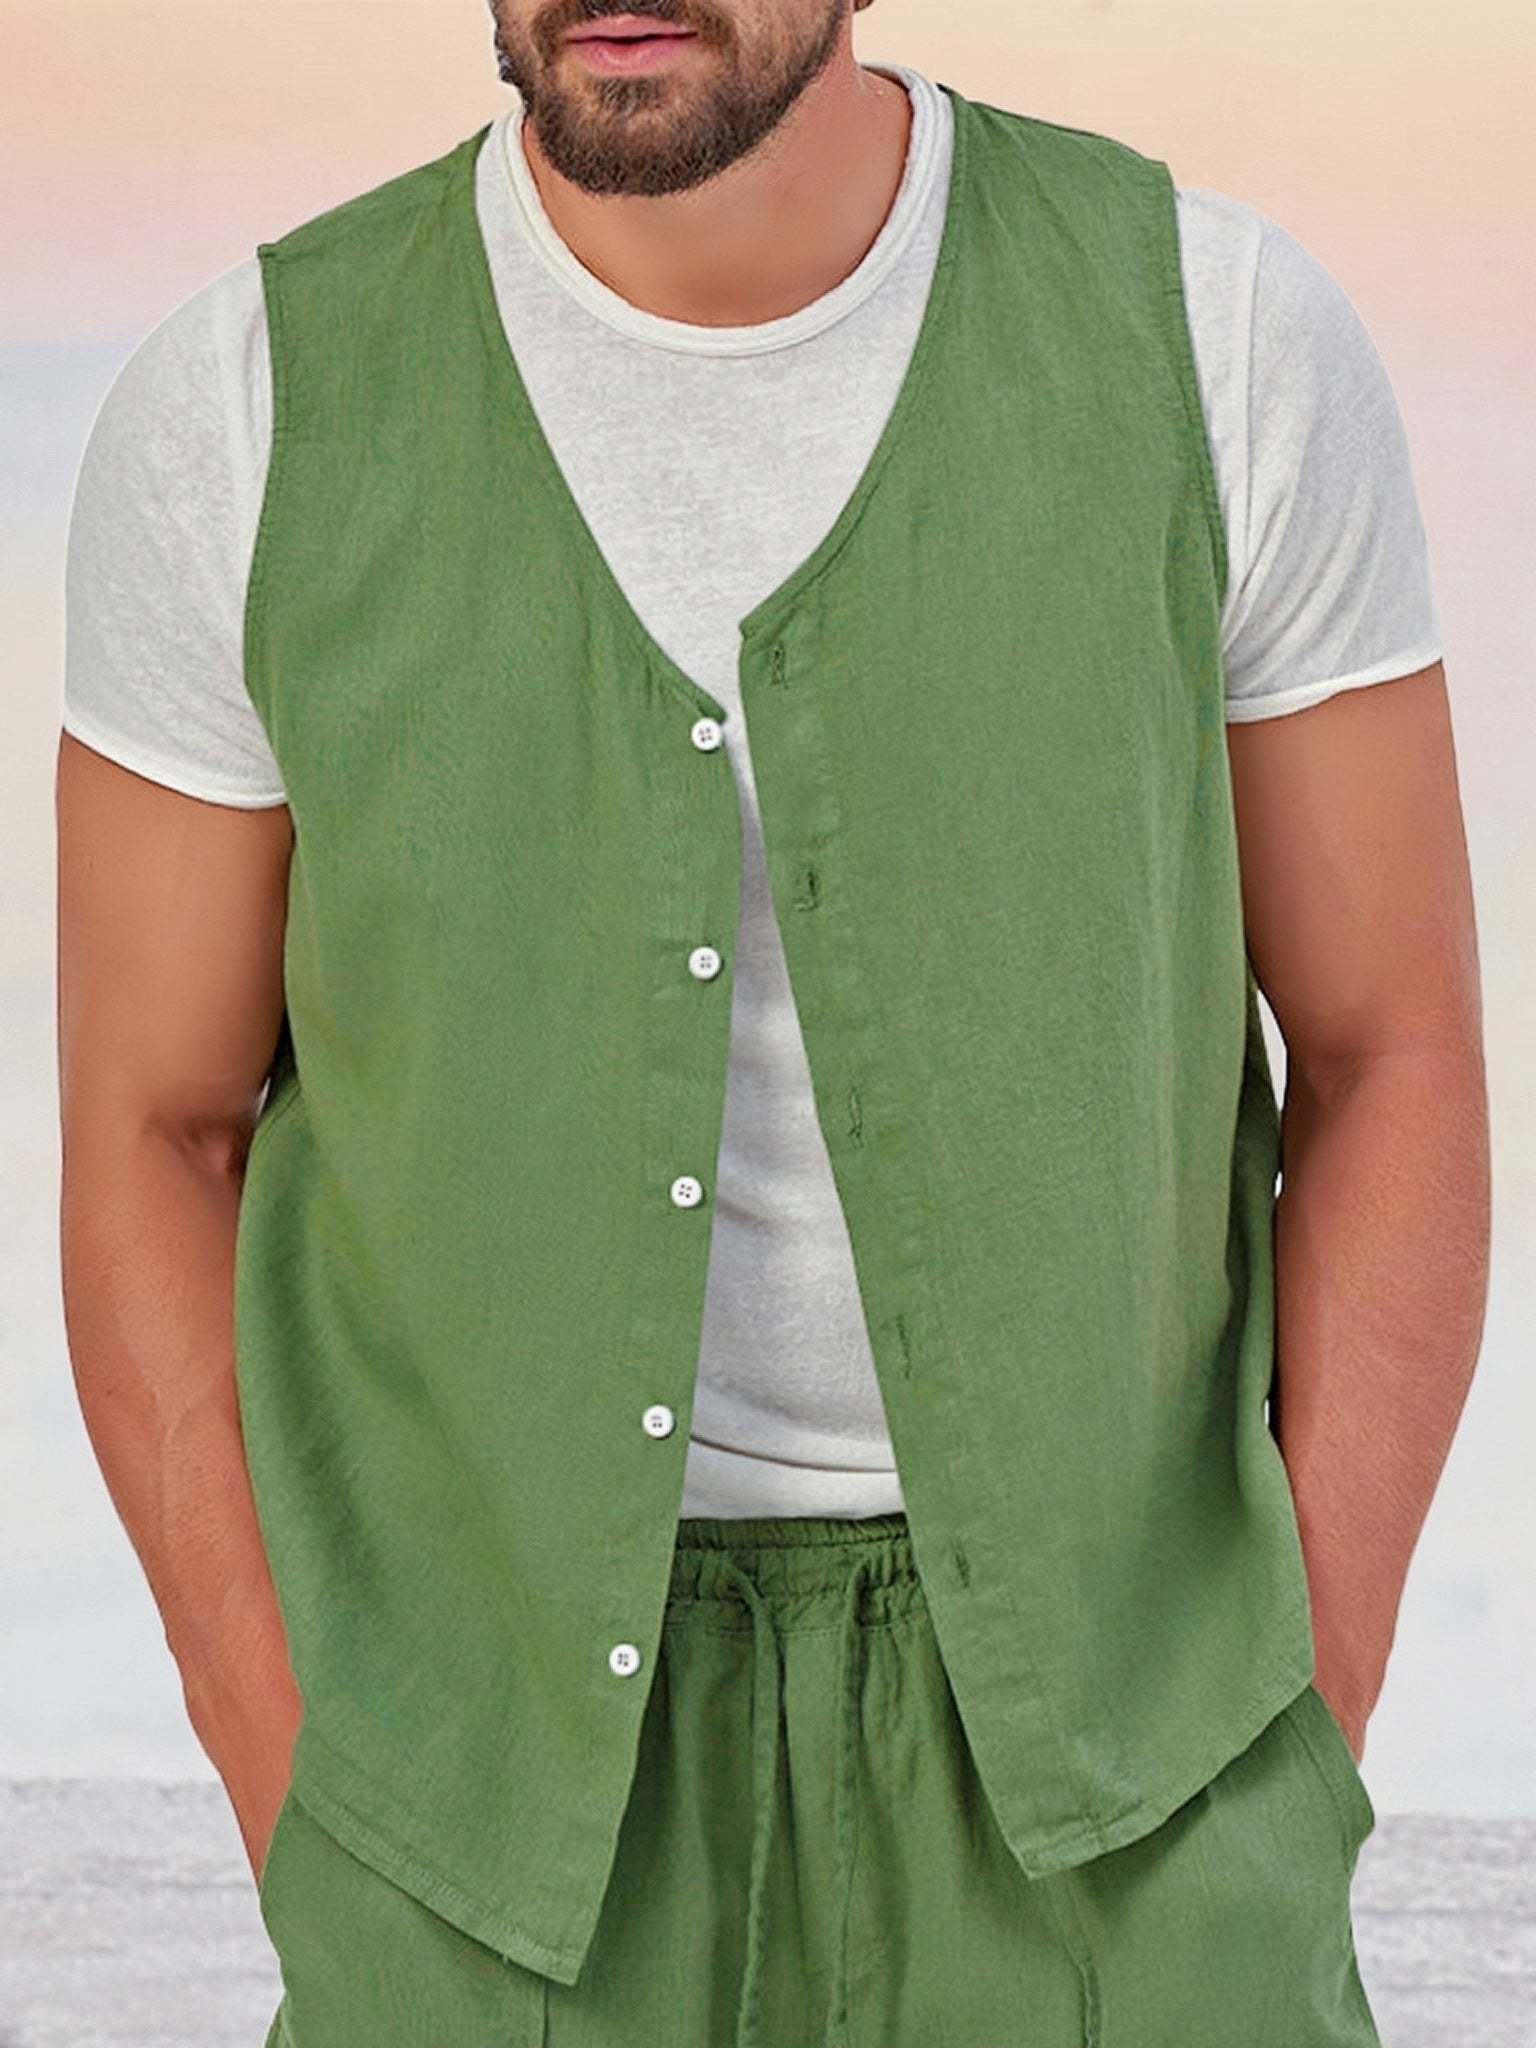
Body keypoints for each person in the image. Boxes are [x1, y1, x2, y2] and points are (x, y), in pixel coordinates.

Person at [55, 3, 1490, 2043]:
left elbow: (1391, 1049)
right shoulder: (243, 409)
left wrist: (1294, 1730)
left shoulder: (1218, 339)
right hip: (480, 1813)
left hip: (1131, 1783)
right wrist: (297, 1779)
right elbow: (151, 1127)